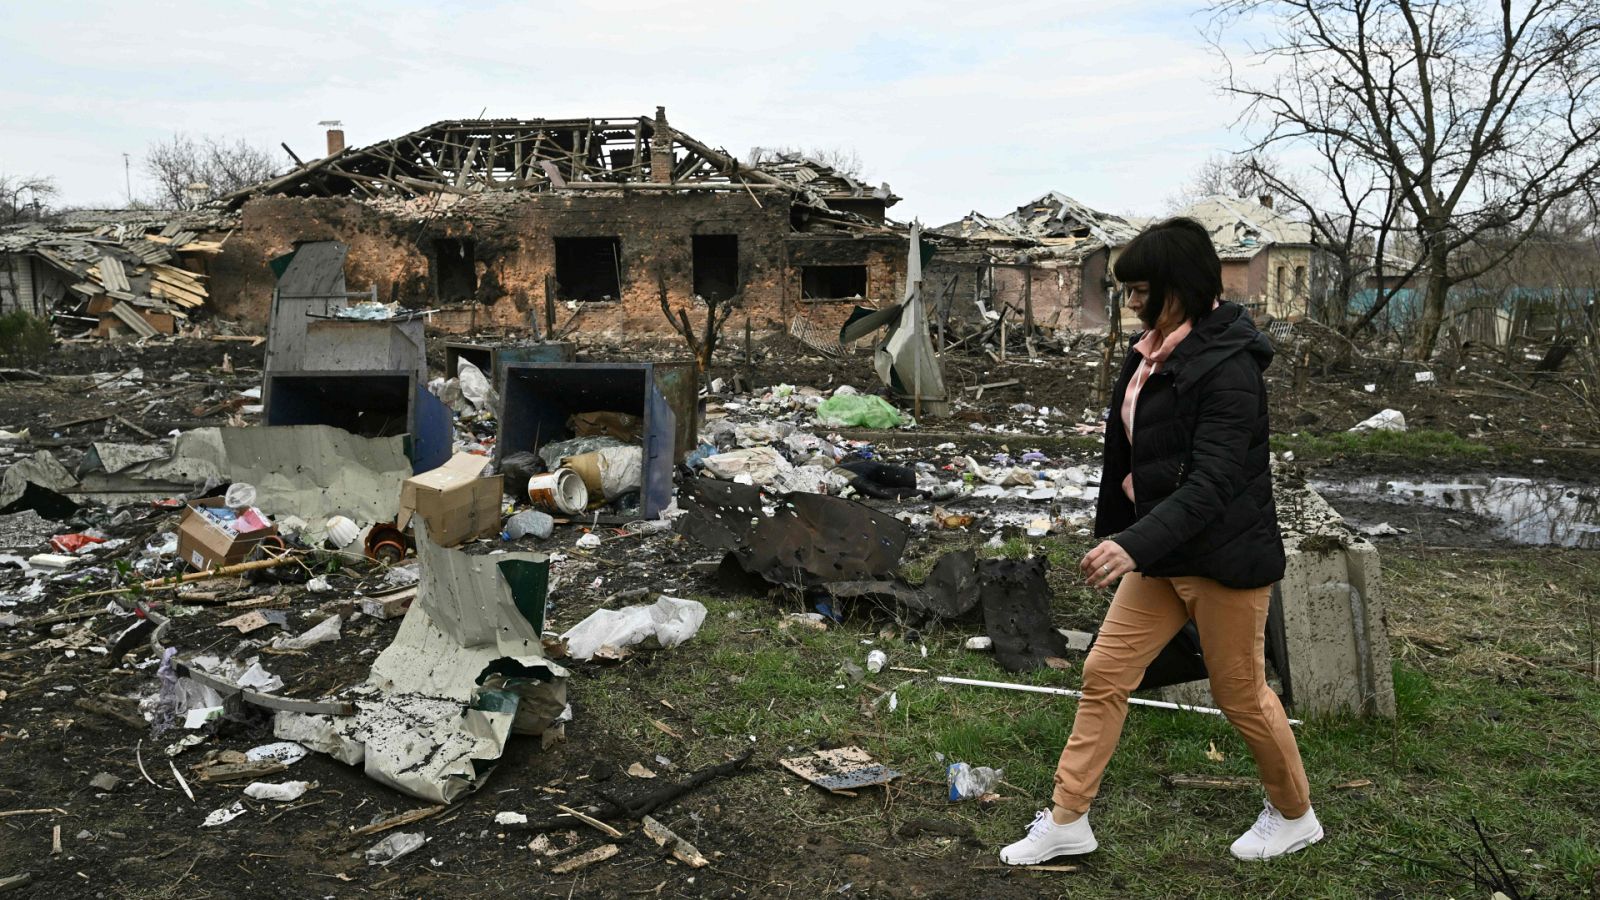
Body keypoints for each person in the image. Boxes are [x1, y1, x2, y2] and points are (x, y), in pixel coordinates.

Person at [1000, 217, 1321, 865]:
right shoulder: (1149, 352)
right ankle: (1068, 819)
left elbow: (1213, 484)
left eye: (1143, 288)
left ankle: (1295, 815)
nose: (1132, 301)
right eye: (1130, 290)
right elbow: (1134, 453)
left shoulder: (1230, 369)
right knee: (1105, 672)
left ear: (1180, 285)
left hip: (1223, 558)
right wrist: (1124, 533)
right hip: (1161, 551)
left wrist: (1133, 544)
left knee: (1241, 696)